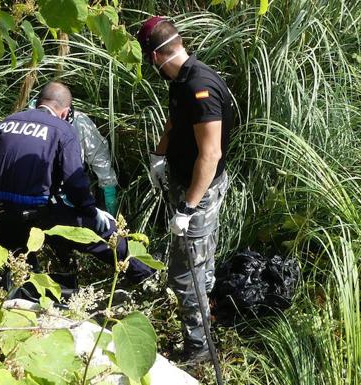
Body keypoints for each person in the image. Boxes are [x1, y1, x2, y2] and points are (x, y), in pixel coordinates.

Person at [0, 81, 153, 284]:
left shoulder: (7, 122)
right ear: (65, 112)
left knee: (21, 266)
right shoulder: (62, 129)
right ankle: (147, 277)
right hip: (34, 213)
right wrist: (91, 211)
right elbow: (74, 181)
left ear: (38, 103)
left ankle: (25, 284)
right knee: (103, 234)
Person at [137, 17, 232, 361]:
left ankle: (199, 348)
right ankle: (204, 322)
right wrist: (158, 156)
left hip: (200, 192)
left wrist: (188, 208)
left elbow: (211, 153)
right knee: (199, 264)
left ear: (155, 57)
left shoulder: (199, 87)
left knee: (184, 274)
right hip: (184, 183)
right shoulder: (180, 81)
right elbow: (175, 122)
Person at [28, 99, 120, 216]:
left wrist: (109, 190)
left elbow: (99, 156)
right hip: (37, 193)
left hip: (72, 191)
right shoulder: (27, 122)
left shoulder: (79, 122)